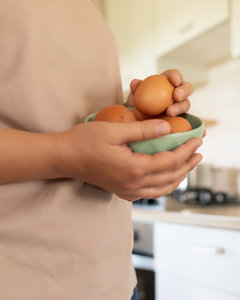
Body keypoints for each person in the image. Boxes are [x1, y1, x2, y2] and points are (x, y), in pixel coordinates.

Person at [0, 1, 203, 299]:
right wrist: (67, 154)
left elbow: (60, 112)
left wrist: (138, 120)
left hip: (113, 281)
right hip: (22, 281)